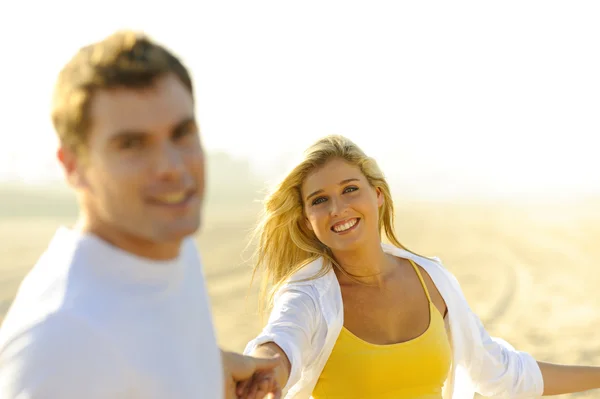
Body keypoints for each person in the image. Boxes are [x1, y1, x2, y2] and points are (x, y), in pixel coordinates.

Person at [0, 30, 279, 399]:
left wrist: (208, 372)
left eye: (181, 133)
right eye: (131, 144)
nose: (172, 166)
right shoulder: (61, 342)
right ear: (73, 166)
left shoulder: (173, 253)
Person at [242, 134, 600, 398]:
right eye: (320, 200)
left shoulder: (432, 280)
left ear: (377, 195)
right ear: (307, 221)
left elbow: (504, 373)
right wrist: (265, 367)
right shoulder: (308, 296)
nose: (337, 208)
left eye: (350, 189)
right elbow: (280, 340)